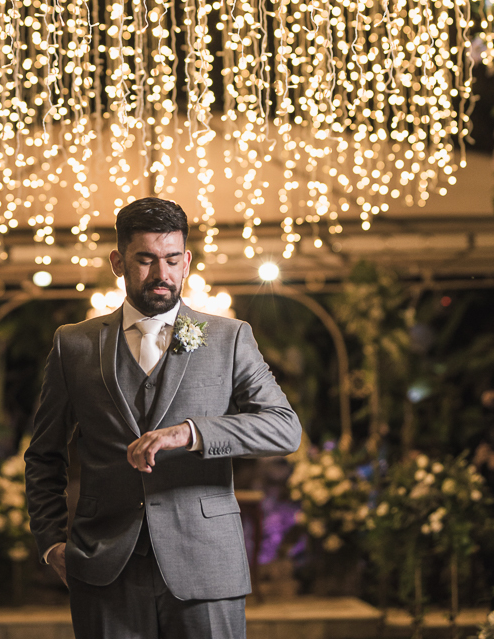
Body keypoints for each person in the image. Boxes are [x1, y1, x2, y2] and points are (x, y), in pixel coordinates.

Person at [25, 197, 302, 639]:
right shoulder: (72, 344)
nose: (161, 274)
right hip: (104, 566)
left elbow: (284, 428)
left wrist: (191, 434)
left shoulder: (230, 337)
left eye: (172, 260)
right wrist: (51, 543)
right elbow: (44, 455)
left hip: (206, 563)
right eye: (145, 260)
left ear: (187, 262)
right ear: (118, 262)